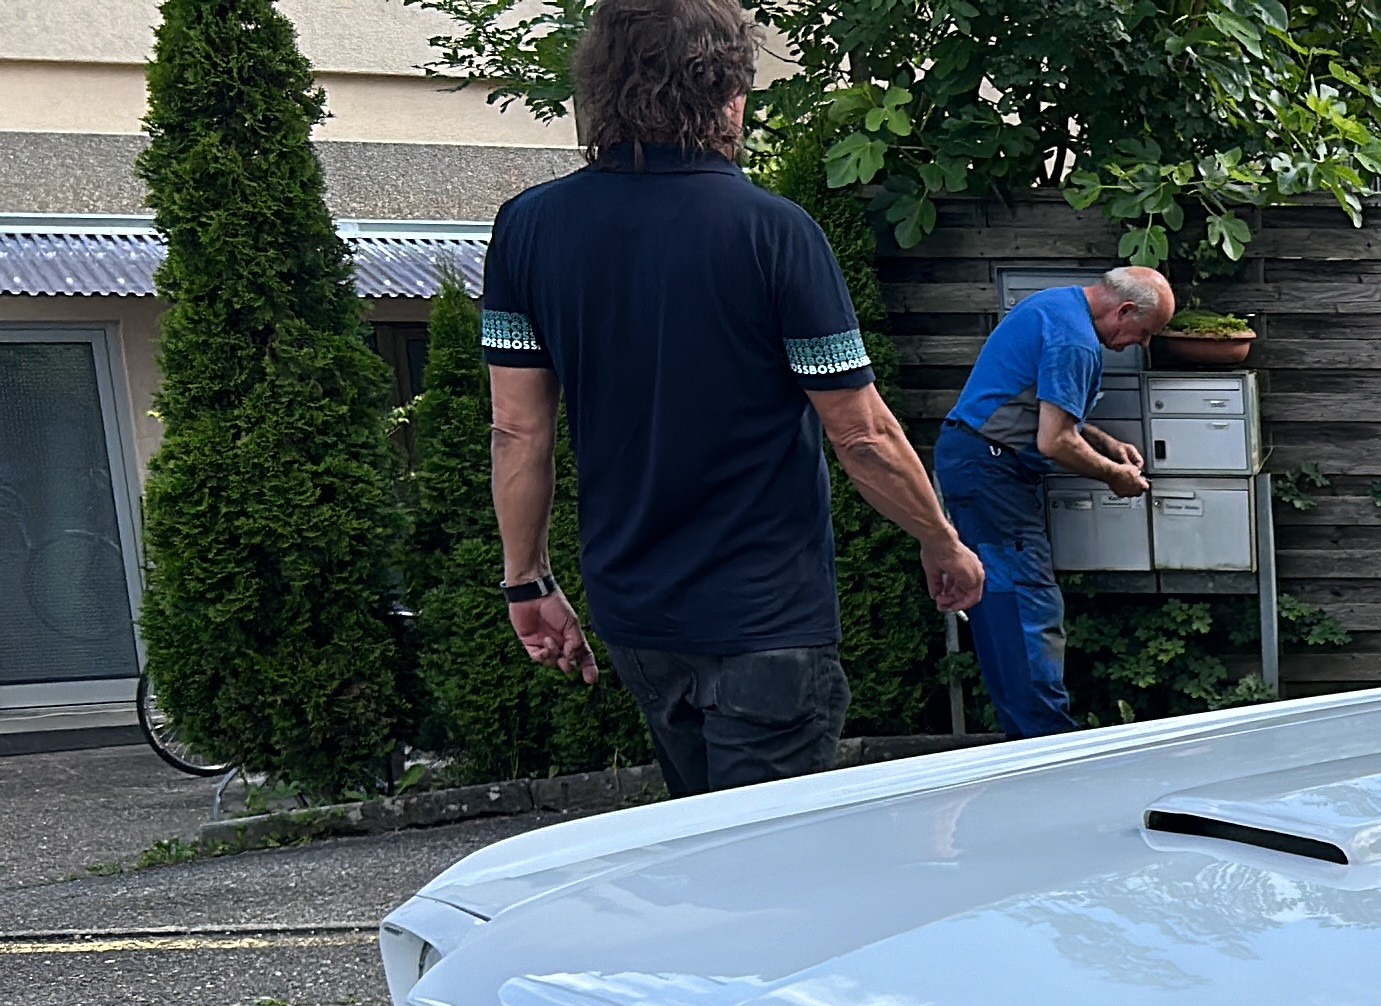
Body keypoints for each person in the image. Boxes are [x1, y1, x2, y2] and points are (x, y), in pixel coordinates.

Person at [478, 0, 981, 795]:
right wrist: (940, 539)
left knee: (702, 849)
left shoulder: (528, 229)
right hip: (765, 618)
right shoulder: (774, 232)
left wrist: (527, 582)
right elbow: (861, 436)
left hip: (636, 614)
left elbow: (517, 430)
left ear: (600, 87)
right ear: (727, 93)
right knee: (773, 877)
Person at [935, 268, 1172, 737]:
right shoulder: (1076, 343)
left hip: (975, 458)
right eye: (1144, 333)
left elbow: (1045, 408)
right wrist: (1115, 477)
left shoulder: (1054, 306)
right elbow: (1055, 441)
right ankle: (1044, 742)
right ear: (1123, 311)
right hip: (992, 471)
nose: (1141, 345)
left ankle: (1022, 732)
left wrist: (1102, 441)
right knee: (1025, 600)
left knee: (999, 597)